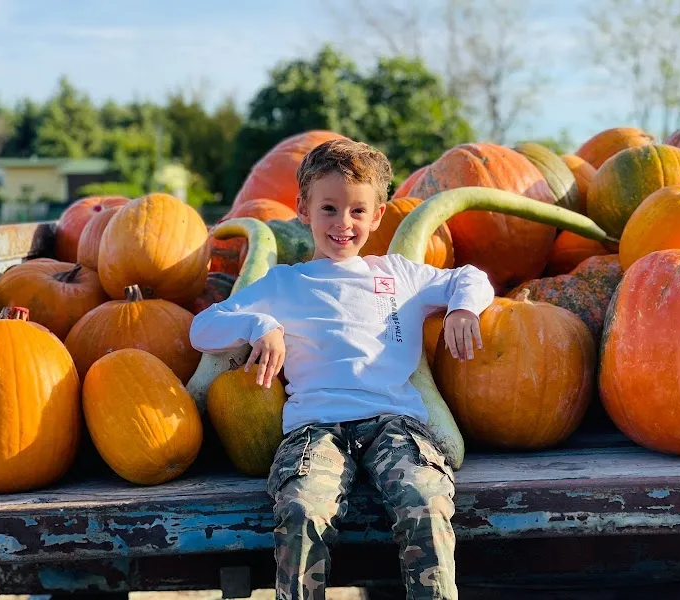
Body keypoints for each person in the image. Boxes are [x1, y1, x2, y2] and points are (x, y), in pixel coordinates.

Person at [190, 138, 494, 599]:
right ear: (303, 209)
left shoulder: (399, 276)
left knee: (426, 499)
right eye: (329, 208)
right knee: (300, 508)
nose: (342, 223)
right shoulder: (284, 283)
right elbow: (204, 328)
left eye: (357, 211)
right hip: (317, 429)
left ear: (377, 216)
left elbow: (470, 277)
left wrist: (462, 310)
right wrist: (259, 325)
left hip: (395, 425)